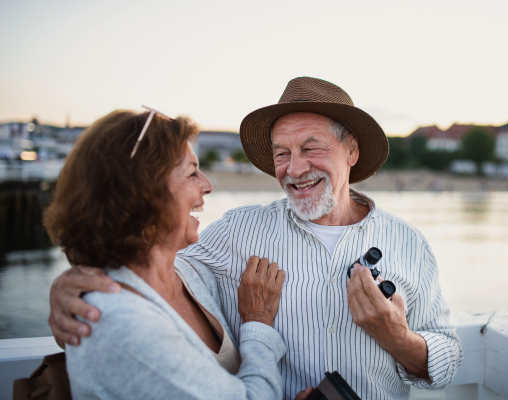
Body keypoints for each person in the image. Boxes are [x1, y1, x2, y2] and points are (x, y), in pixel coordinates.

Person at [48, 77, 463, 400]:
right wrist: (74, 283)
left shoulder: (411, 245)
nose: (294, 168)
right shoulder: (236, 232)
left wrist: (400, 340)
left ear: (351, 150)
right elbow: (149, 268)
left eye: (310, 147)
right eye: (281, 153)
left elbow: (450, 355)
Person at [43, 109, 307, 399]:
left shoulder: (187, 272)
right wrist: (257, 323)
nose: (207, 185)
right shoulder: (122, 321)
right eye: (192, 172)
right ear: (142, 195)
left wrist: (65, 284)